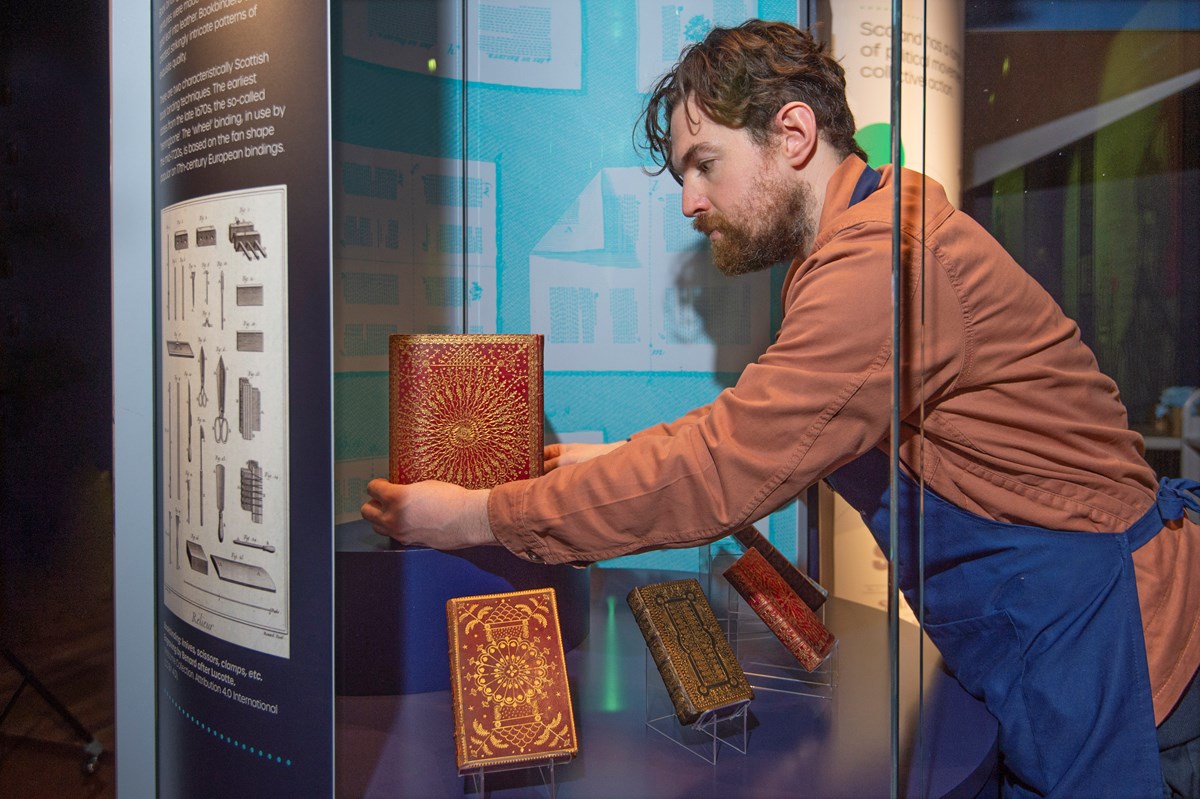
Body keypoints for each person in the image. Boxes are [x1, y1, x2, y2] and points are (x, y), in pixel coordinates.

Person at [362, 19, 1200, 798]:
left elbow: (726, 463)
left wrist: (477, 515)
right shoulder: (863, 242)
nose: (689, 201)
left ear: (792, 136)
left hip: (1114, 652)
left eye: (703, 163)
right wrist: (596, 464)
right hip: (1050, 639)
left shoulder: (884, 263)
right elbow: (753, 422)